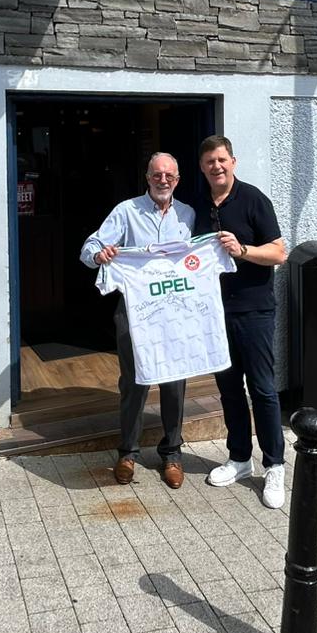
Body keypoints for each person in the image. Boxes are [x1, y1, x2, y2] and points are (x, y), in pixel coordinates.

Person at [81, 152, 196, 488]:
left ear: (178, 180)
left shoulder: (188, 215)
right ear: (147, 178)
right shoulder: (126, 211)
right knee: (134, 383)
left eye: (169, 175)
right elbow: (90, 246)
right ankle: (128, 453)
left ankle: (172, 454)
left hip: (173, 312)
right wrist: (99, 254)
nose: (163, 180)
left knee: (174, 383)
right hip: (134, 310)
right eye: (157, 175)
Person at [198, 134, 290, 509]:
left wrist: (243, 250)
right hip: (215, 313)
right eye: (210, 162)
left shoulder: (254, 199)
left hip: (254, 311)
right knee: (229, 389)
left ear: (233, 162)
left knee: (263, 389)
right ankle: (239, 458)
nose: (216, 166)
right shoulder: (197, 205)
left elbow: (279, 253)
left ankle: (275, 465)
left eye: (222, 159)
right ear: (202, 168)